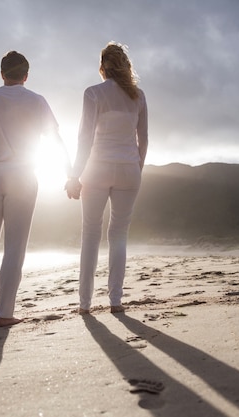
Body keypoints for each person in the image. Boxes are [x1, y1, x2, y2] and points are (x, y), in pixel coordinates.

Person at [0, 51, 70, 328]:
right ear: (26, 75)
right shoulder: (37, 101)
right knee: (14, 247)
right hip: (24, 175)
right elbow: (56, 141)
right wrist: (68, 172)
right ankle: (4, 314)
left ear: (2, 74)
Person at [66, 42, 148, 314]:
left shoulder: (93, 93)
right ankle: (115, 301)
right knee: (119, 235)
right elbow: (143, 139)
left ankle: (85, 304)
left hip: (97, 168)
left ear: (102, 68)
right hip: (129, 169)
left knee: (90, 234)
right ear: (125, 66)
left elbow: (85, 138)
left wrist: (74, 175)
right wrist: (137, 167)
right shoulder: (139, 96)